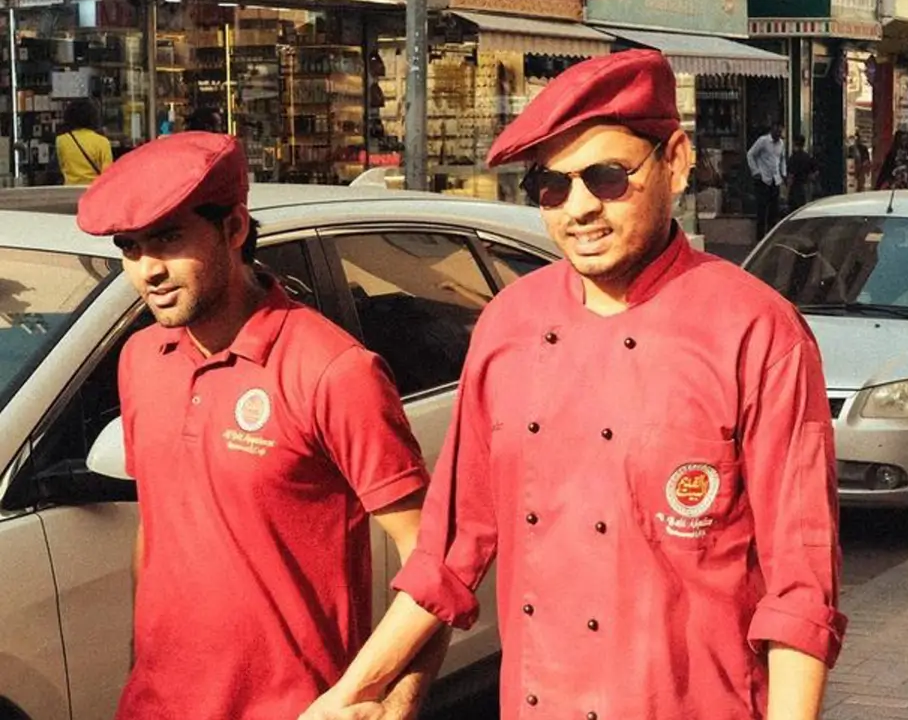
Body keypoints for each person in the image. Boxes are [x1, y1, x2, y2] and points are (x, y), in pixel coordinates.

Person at [302, 49, 844, 720]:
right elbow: (445, 555)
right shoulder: (509, 325)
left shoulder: (757, 331)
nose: (579, 208)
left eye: (607, 177)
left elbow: (801, 589)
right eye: (551, 186)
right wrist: (352, 693)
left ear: (675, 161)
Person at [74, 132, 441, 719]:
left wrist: (390, 699)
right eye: (130, 247)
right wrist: (139, 665)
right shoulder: (141, 358)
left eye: (168, 238)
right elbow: (158, 526)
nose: (148, 271)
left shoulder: (333, 370)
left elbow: (432, 556)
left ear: (234, 227)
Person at [56, 99, 114, 185]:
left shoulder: (61, 140)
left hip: (70, 188)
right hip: (94, 189)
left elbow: (62, 166)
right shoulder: (102, 141)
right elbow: (107, 173)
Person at [747, 123, 787, 238]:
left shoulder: (781, 143)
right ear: (772, 130)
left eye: (780, 132)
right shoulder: (763, 141)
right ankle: (760, 237)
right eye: (777, 132)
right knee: (762, 209)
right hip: (763, 179)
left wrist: (783, 173)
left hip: (775, 180)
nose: (779, 134)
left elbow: (782, 159)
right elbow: (750, 154)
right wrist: (755, 171)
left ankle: (771, 235)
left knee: (774, 210)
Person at [786, 134, 819, 212]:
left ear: (794, 143)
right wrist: (810, 178)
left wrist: (787, 191)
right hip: (805, 187)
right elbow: (816, 171)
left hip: (795, 188)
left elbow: (791, 176)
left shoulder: (793, 158)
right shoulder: (808, 157)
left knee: (794, 210)